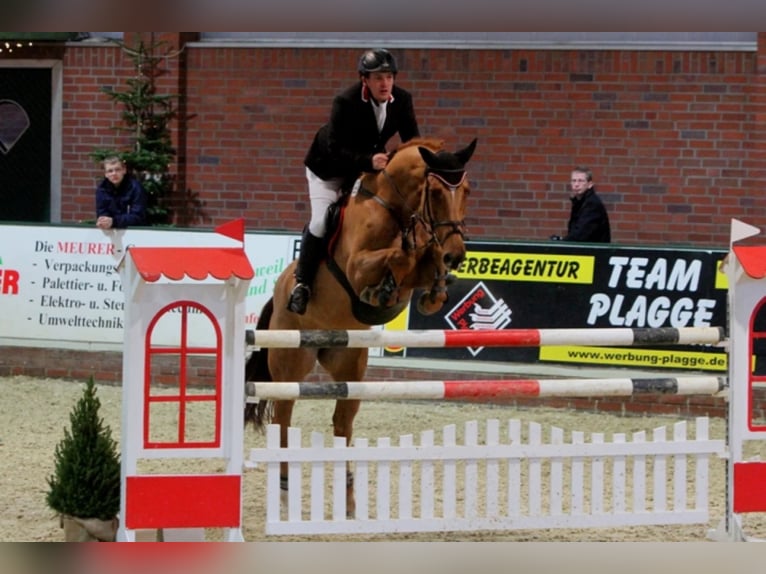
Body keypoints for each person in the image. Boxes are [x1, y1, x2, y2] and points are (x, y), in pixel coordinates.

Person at [287, 48, 421, 315]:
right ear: (365, 80)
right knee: (322, 220)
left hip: (362, 170)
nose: (385, 83)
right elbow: (334, 148)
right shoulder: (345, 102)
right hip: (327, 169)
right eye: (378, 77)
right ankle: (302, 284)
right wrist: (369, 161)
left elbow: (412, 143)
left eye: (389, 77)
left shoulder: (402, 100)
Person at [550, 166, 611, 243]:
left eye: (581, 181)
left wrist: (562, 241)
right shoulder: (580, 202)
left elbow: (580, 234)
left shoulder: (592, 204)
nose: (576, 184)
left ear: (590, 184)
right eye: (574, 181)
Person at [95, 156, 147, 230]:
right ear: (106, 174)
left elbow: (138, 217)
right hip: (110, 232)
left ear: (124, 170)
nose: (114, 173)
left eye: (117, 170)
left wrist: (114, 221)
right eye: (110, 171)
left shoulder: (135, 187)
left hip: (134, 231)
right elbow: (102, 213)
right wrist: (104, 221)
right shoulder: (102, 189)